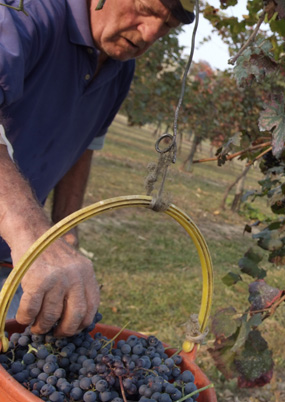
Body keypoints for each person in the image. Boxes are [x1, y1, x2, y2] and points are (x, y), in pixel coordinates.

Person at [0, 0, 194, 338]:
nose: (150, 33)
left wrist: (62, 232)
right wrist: (31, 232)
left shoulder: (121, 69)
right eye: (146, 8)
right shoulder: (27, 13)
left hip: (13, 256)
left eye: (167, 26)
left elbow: (84, 145)